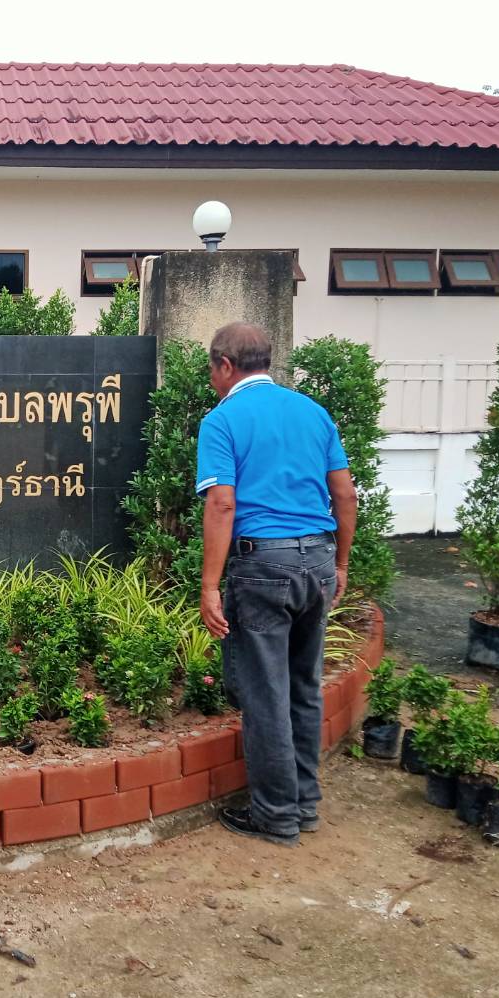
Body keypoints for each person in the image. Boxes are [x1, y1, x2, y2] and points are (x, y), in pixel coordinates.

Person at [196, 323, 358, 846]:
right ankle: (305, 805)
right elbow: (346, 495)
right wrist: (342, 564)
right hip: (316, 559)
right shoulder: (313, 413)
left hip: (262, 566)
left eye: (212, 370)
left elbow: (222, 502)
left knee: (266, 696)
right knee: (305, 688)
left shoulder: (222, 421)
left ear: (225, 365)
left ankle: (275, 816)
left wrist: (209, 585)